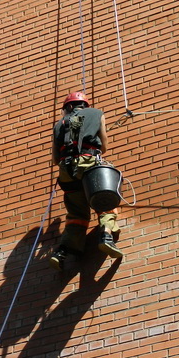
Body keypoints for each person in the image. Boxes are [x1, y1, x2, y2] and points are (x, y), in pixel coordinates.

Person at [48, 92, 123, 270]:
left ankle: (63, 251)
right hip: (88, 162)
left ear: (69, 107)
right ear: (84, 105)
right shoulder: (97, 113)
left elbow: (55, 159)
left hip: (66, 171)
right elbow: (104, 146)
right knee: (104, 198)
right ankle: (106, 236)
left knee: (76, 213)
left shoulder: (58, 125)